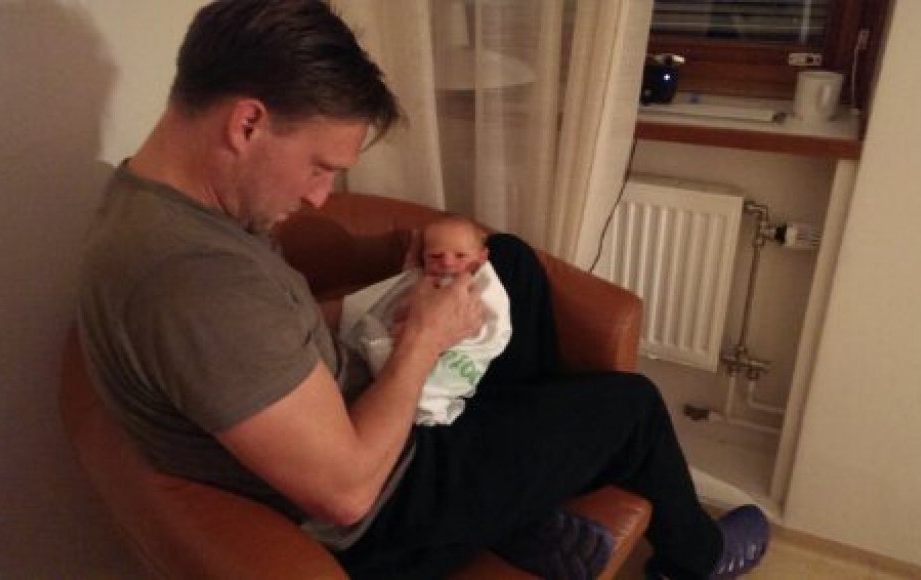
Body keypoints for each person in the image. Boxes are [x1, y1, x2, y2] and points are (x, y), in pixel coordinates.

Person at [76, 1, 770, 579]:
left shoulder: (163, 203)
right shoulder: (190, 279)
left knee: (506, 264)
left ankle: (519, 507)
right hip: (387, 507)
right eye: (321, 166)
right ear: (248, 122)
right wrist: (423, 340)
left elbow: (267, 334)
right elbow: (347, 493)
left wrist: (394, 287)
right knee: (632, 407)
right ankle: (696, 557)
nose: (321, 197)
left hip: (365, 415)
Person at [338, 215, 511, 426]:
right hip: (402, 360)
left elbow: (492, 327)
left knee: (512, 248)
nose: (447, 262)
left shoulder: (484, 287)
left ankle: (429, 395)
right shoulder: (421, 283)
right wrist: (406, 320)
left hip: (457, 347)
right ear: (423, 258)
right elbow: (398, 311)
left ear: (482, 257)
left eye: (460, 256)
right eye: (435, 256)